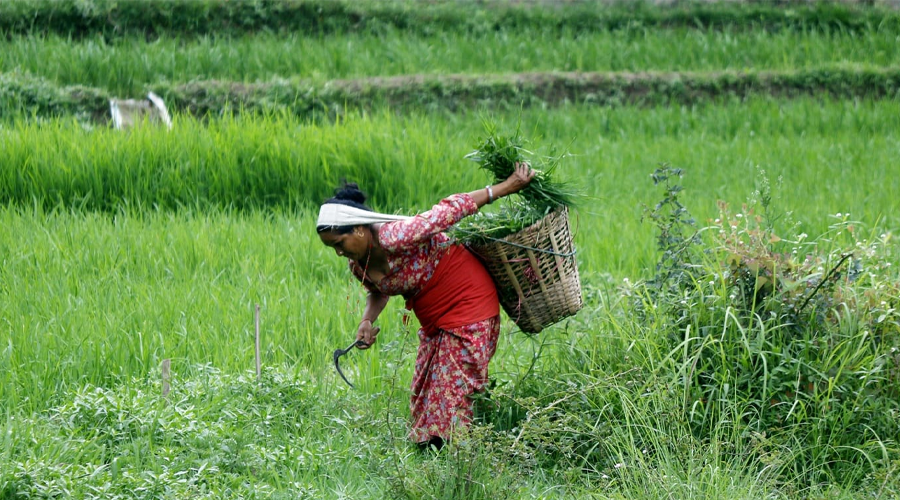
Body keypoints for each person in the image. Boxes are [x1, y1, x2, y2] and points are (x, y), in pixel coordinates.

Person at [316, 163, 535, 449]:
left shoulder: (395, 236)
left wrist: (506, 187)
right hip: (434, 320)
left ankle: (459, 459)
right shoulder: (359, 265)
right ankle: (433, 457)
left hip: (468, 302)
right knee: (425, 396)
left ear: (358, 229)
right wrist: (366, 320)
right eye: (332, 248)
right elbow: (379, 291)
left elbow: (448, 210)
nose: (339, 252)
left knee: (452, 395)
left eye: (339, 243)